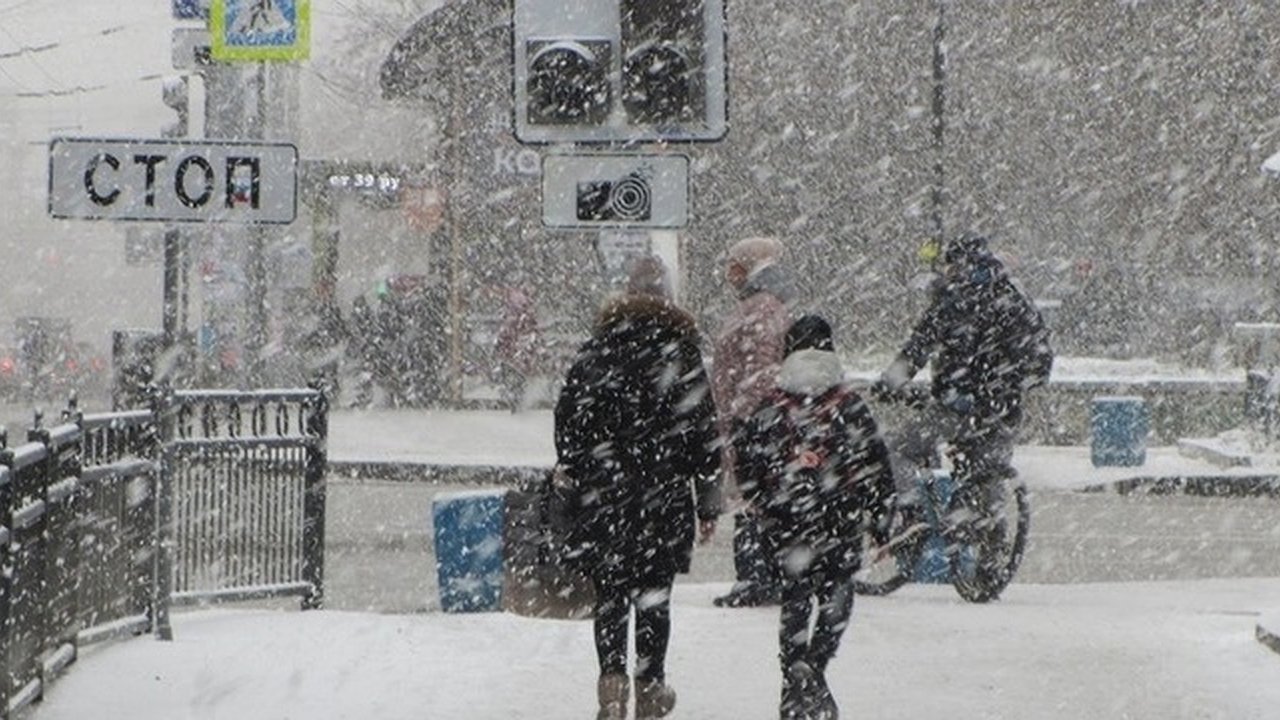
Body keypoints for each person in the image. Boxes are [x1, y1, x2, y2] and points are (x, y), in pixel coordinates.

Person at [553, 254, 722, 720]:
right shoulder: (681, 350)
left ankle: (611, 687)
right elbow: (704, 430)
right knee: (654, 596)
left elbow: (568, 418)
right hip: (663, 495)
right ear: (665, 297)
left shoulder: (598, 347)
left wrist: (576, 465)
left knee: (609, 594)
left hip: (603, 493)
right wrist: (707, 502)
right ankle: (650, 690)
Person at [735, 315, 895, 720]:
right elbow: (875, 464)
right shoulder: (849, 404)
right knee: (838, 589)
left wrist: (760, 499)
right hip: (839, 514)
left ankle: (793, 682)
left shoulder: (771, 404)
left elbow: (747, 456)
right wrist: (879, 520)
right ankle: (815, 666)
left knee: (795, 595)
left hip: (787, 517)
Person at [875, 232, 1053, 545]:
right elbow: (1041, 358)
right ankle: (991, 542)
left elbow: (917, 348)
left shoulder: (952, 300)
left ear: (956, 265)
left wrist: (889, 384)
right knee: (989, 468)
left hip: (957, 406)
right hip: (1002, 410)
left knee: (897, 451)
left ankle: (911, 512)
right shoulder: (1014, 299)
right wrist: (1010, 387)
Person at [711, 236, 794, 608]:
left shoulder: (760, 309)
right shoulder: (762, 305)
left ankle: (755, 577)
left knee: (751, 497)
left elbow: (760, 367)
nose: (728, 274)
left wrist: (741, 413)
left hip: (752, 417)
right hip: (754, 415)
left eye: (733, 266)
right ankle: (765, 575)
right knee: (758, 496)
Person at [495, 284, 542, 411]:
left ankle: (513, 397)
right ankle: (516, 397)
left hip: (513, 351)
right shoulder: (526, 315)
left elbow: (504, 333)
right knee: (518, 375)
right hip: (519, 351)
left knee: (513, 374)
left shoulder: (510, 316)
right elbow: (533, 331)